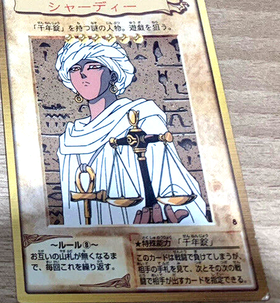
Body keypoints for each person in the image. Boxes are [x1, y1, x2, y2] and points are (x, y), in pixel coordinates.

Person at [54, 40, 208, 226]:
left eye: (93, 66)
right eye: (74, 69)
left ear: (113, 74)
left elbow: (169, 180)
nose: (82, 74)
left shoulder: (142, 118)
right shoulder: (70, 136)